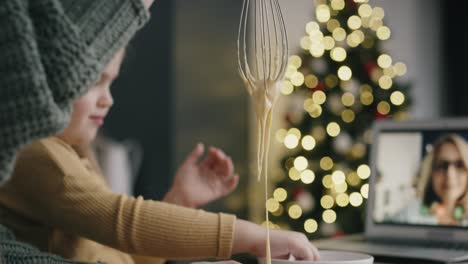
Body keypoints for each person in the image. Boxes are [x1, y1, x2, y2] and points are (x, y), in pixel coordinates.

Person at [0, 49, 320, 264]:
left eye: (111, 83)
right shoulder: (35, 152)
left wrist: (179, 200)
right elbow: (124, 221)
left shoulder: (72, 153)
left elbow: (124, 255)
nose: (108, 100)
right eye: (95, 84)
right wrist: (253, 236)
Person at [392, 134, 468, 226]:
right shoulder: (409, 214)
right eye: (442, 165)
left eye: (459, 165)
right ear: (430, 173)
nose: (450, 175)